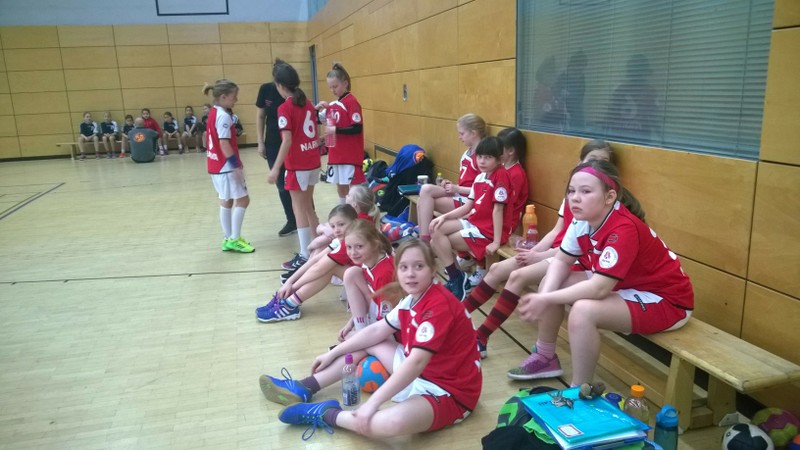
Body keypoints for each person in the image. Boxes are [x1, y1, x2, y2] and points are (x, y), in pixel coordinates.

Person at [259, 239, 481, 441]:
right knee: (368, 340)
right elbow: (375, 331)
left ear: (433, 270)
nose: (410, 274)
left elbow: (416, 362)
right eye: (404, 267)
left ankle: (327, 413)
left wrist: (373, 403)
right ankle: (304, 386)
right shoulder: (413, 298)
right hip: (420, 372)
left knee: (390, 423)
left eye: (418, 266)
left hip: (448, 391)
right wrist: (333, 352)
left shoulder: (438, 306)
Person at [514, 159, 693, 386]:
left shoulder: (623, 229)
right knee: (550, 283)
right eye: (571, 191)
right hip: (626, 285)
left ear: (609, 197)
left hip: (666, 300)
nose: (575, 198)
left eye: (585, 191)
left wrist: (545, 299)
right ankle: (545, 356)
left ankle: (580, 390)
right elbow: (561, 261)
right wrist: (545, 295)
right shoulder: (582, 219)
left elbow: (599, 288)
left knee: (583, 312)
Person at [463, 140, 614, 360]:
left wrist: (540, 255)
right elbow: (556, 231)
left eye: (604, 161)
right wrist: (534, 251)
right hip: (557, 252)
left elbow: (579, 249)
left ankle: (481, 337)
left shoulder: (600, 202)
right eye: (592, 160)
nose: (597, 165)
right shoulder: (575, 195)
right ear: (580, 162)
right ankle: (458, 315)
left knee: (517, 276)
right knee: (496, 269)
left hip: (572, 258)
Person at [429, 136, 513, 301]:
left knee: (438, 243)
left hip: (489, 231)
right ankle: (457, 278)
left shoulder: (501, 176)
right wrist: (443, 217)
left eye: (488, 157)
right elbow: (467, 207)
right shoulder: (480, 177)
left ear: (499, 159)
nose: (482, 161)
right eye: (479, 156)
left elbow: (498, 210)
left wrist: (496, 241)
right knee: (436, 230)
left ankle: (456, 279)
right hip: (475, 222)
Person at [256, 204, 357, 323]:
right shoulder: (341, 240)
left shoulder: (349, 243)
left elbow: (318, 268)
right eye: (333, 226)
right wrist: (289, 282)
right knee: (323, 261)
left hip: (367, 284)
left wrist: (293, 287)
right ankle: (288, 302)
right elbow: (314, 261)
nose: (336, 230)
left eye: (341, 224)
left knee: (329, 268)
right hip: (358, 278)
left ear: (354, 222)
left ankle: (289, 304)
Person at [268, 60, 321, 272]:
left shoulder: (285, 108)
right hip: (313, 162)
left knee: (299, 208)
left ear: (280, 85)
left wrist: (275, 168)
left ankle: (305, 255)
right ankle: (319, 248)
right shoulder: (307, 103)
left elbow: (287, 140)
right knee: (308, 207)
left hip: (298, 165)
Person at [466, 128, 529, 287]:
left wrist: (496, 239)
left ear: (510, 151)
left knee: (466, 230)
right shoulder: (498, 171)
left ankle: (480, 266)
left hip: (507, 222)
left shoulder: (513, 174)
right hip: (492, 216)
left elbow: (502, 207)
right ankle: (471, 260)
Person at [416, 113, 486, 242]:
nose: (459, 137)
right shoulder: (467, 153)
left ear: (473, 133)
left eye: (462, 133)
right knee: (426, 190)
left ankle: (424, 241)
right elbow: (465, 182)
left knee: (423, 201)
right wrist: (450, 185)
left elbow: (483, 190)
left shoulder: (483, 158)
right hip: (460, 194)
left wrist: (457, 189)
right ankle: (424, 238)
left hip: (470, 202)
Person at [204, 79, 254, 253]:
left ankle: (228, 238)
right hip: (226, 166)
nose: (236, 100)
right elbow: (224, 143)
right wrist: (236, 165)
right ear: (223, 97)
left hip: (216, 165)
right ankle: (234, 238)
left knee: (226, 201)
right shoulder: (223, 116)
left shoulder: (213, 112)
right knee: (243, 200)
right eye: (234, 97)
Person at [315, 63, 366, 204]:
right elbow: (316, 120)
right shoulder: (332, 105)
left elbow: (357, 128)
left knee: (354, 190)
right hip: (336, 155)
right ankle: (343, 211)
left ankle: (355, 212)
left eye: (335, 86)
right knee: (340, 187)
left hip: (350, 155)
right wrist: (316, 110)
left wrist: (336, 130)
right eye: (330, 87)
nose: (333, 90)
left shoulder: (351, 102)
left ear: (345, 83)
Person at [338, 220, 395, 340]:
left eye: (359, 246)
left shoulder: (384, 273)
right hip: (378, 313)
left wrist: (363, 338)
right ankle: (360, 328)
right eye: (349, 247)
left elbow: (388, 320)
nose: (353, 252)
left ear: (375, 244)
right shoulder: (368, 261)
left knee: (349, 340)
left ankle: (361, 336)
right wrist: (351, 322)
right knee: (351, 273)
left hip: (391, 327)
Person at [256, 76, 296, 237]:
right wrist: (260, 142)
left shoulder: (293, 92)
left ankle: (307, 216)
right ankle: (291, 220)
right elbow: (261, 116)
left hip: (292, 141)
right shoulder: (266, 89)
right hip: (273, 142)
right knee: (281, 184)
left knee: (297, 181)